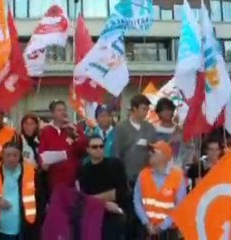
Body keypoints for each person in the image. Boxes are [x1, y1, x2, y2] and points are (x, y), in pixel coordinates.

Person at [0, 142, 45, 240]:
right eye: (8, 155)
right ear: (2, 155)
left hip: (25, 230)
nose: (11, 159)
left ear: (20, 156)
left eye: (15, 155)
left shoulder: (32, 172)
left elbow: (40, 198)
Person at [113, 94, 156, 239]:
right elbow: (116, 154)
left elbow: (155, 151)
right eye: (143, 109)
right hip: (128, 178)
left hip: (145, 178)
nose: (146, 112)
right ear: (134, 109)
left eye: (147, 109)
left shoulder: (150, 128)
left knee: (143, 215)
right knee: (129, 215)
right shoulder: (121, 128)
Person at [133, 141, 186, 240]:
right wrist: (146, 223)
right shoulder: (143, 174)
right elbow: (137, 201)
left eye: (153, 151)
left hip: (169, 232)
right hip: (146, 230)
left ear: (164, 156)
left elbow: (180, 206)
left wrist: (162, 226)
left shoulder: (178, 176)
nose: (149, 154)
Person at [78, 135, 128, 240]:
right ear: (88, 150)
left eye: (101, 146)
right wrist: (105, 201)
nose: (99, 149)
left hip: (115, 212)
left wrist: (97, 198)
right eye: (94, 147)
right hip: (94, 213)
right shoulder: (84, 170)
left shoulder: (116, 165)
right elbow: (84, 197)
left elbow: (122, 190)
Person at [38, 100, 87, 192]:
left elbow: (83, 149)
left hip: (72, 181)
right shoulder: (46, 131)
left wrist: (74, 135)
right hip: (53, 180)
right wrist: (42, 163)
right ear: (53, 113)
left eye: (64, 110)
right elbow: (42, 151)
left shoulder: (75, 129)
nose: (63, 112)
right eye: (59, 110)